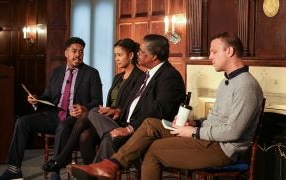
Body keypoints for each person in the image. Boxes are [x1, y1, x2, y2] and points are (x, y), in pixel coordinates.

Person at [67, 32, 264, 180]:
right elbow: (218, 121)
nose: (209, 56)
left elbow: (233, 132)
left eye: (214, 51)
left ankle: (110, 166)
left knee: (153, 149)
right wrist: (196, 123)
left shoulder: (246, 85)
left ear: (229, 51)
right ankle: (110, 165)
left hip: (221, 149)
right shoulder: (227, 81)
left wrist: (194, 132)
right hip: (207, 138)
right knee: (151, 124)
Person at [0, 37, 103, 180]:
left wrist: (84, 108)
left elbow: (97, 101)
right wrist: (36, 101)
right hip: (54, 115)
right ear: (66, 53)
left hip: (74, 119)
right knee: (22, 122)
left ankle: (54, 172)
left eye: (81, 52)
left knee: (63, 127)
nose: (78, 55)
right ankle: (14, 170)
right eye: (74, 51)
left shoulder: (91, 73)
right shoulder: (57, 72)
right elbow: (48, 97)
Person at [41, 38, 144, 173]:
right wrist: (107, 110)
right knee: (85, 136)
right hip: (108, 118)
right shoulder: (118, 77)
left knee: (89, 113)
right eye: (115, 55)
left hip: (122, 121)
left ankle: (61, 159)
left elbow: (136, 105)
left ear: (130, 56)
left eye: (119, 55)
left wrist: (114, 110)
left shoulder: (140, 77)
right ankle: (93, 173)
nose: (116, 59)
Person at [84, 34, 186, 164]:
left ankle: (94, 174)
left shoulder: (169, 77)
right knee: (93, 112)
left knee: (109, 139)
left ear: (153, 56)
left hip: (142, 130)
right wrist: (118, 111)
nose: (138, 53)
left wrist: (130, 128)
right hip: (125, 121)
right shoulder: (148, 73)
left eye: (142, 52)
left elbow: (159, 111)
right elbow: (132, 101)